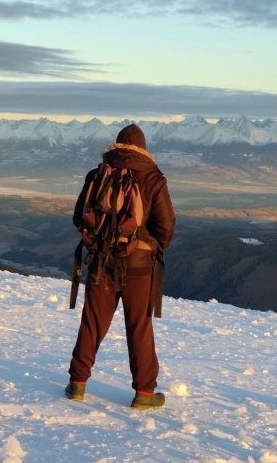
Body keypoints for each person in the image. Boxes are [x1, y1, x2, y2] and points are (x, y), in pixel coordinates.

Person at [66, 124, 175, 409]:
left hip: (101, 262)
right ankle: (144, 392)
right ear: (143, 148)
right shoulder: (153, 177)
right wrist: (151, 247)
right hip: (139, 266)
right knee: (139, 326)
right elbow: (166, 226)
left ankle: (77, 384)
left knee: (92, 322)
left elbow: (80, 217)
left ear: (116, 146)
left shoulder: (97, 174)